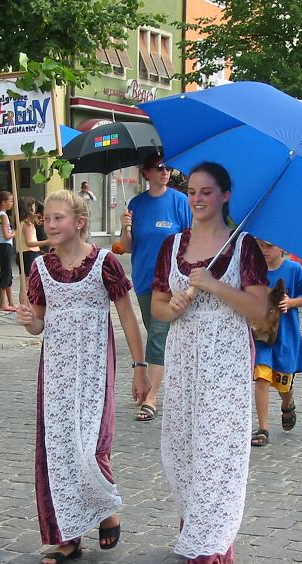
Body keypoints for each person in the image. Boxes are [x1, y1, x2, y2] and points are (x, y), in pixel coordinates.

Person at [151, 162, 268, 564]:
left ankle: (209, 558)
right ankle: (198, 533)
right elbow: (157, 306)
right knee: (181, 449)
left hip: (225, 360)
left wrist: (215, 285)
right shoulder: (172, 245)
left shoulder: (244, 247)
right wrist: (172, 308)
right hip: (184, 358)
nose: (197, 199)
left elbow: (259, 311)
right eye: (192, 192)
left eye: (206, 191)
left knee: (218, 452)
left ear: (225, 195)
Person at [16, 189, 150, 564]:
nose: (50, 224)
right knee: (58, 450)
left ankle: (106, 509)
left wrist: (140, 367)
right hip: (56, 373)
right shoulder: (40, 268)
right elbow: (38, 324)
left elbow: (127, 317)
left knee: (90, 446)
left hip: (94, 370)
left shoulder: (105, 263)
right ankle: (67, 537)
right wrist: (29, 321)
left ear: (79, 222)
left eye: (58, 217)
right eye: (46, 218)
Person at [119, 152, 191, 422]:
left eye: (167, 168)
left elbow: (190, 239)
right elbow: (127, 247)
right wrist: (125, 229)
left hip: (170, 282)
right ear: (146, 173)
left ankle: (151, 397)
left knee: (158, 338)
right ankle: (180, 384)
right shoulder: (136, 204)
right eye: (159, 168)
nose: (165, 172)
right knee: (158, 335)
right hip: (143, 278)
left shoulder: (179, 202)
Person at [250, 241, 302, 448]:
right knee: (261, 377)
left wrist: (291, 302)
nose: (265, 250)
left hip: (285, 334)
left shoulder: (293, 269)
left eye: (269, 246)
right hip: (261, 334)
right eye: (261, 246)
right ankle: (263, 428)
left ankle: (288, 402)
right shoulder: (254, 268)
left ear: (282, 248)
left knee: (282, 382)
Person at [0, 191, 17, 312]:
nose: (11, 203)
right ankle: (3, 303)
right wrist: (15, 233)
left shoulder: (2, 215)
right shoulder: (3, 216)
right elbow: (6, 235)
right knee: (5, 273)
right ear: (3, 202)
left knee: (9, 273)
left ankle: (11, 302)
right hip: (4, 244)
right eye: (10, 201)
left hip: (4, 245)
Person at [17, 197, 47, 276]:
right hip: (30, 253)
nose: (35, 208)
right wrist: (47, 242)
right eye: (34, 206)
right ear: (30, 208)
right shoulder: (27, 224)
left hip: (23, 253)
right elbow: (29, 243)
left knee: (25, 280)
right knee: (30, 280)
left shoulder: (20, 222)